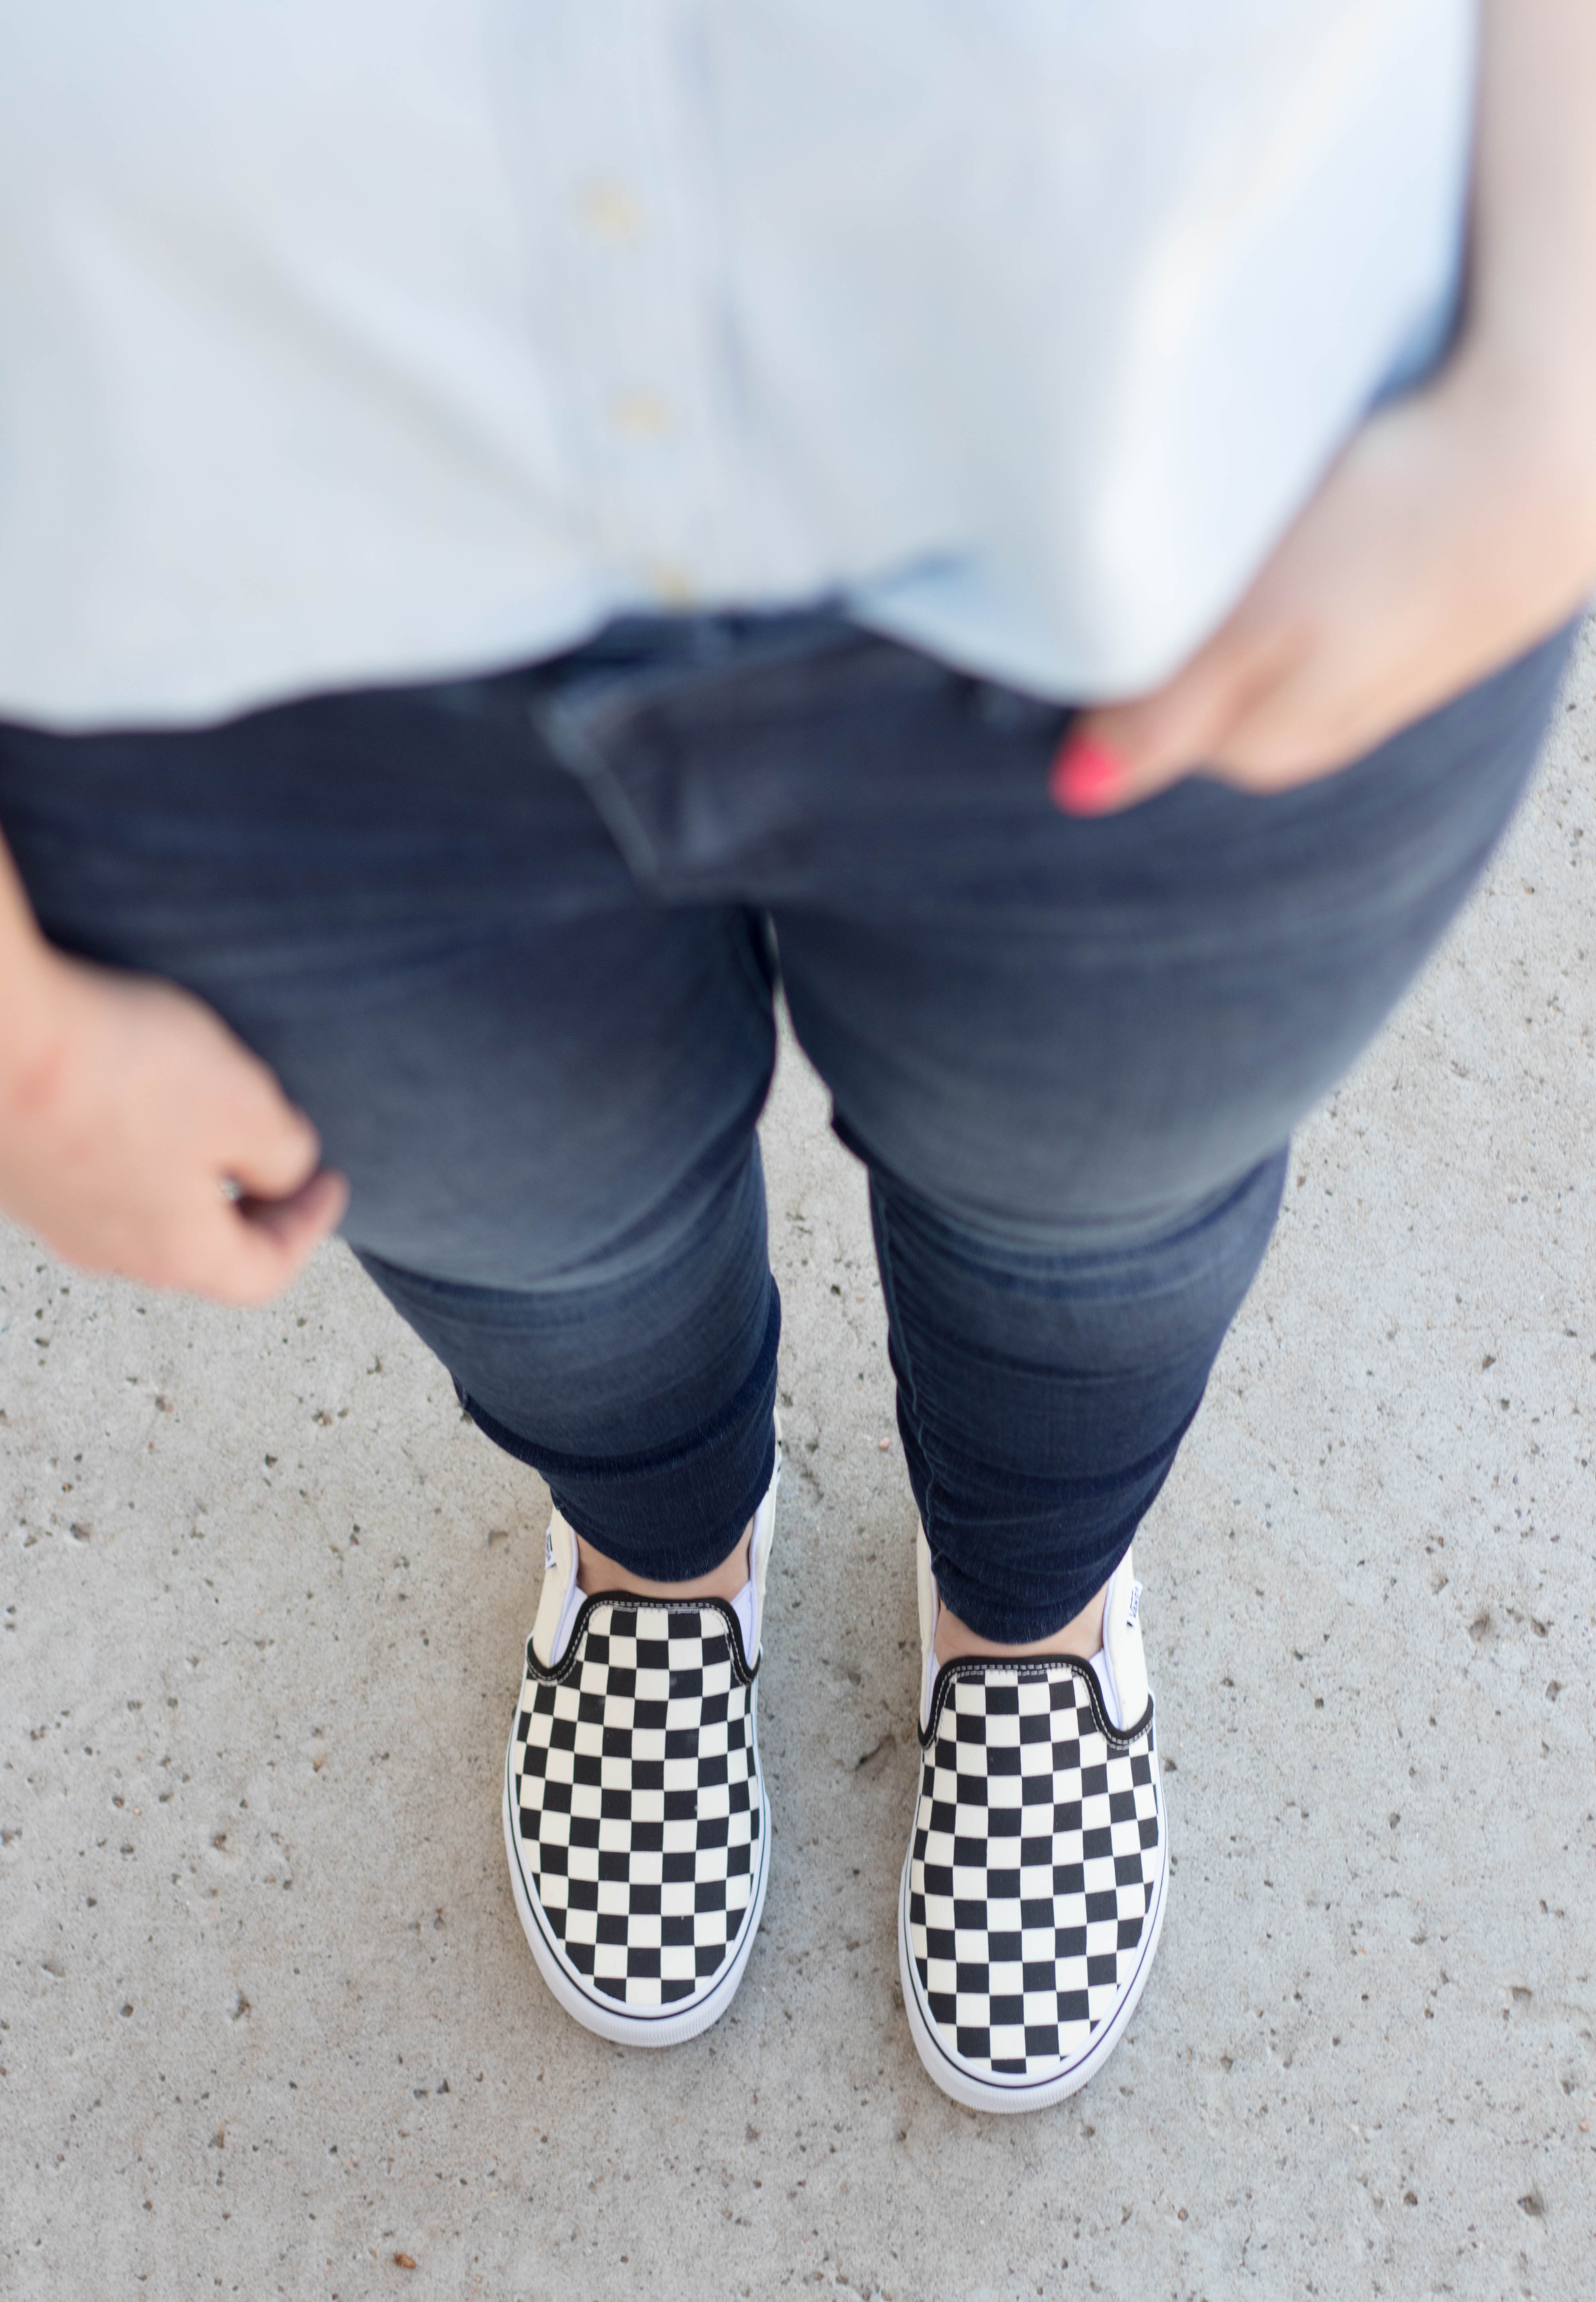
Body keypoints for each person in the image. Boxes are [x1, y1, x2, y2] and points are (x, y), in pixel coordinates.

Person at [0, 0, 1592, 2112]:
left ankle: (1027, 1613)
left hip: (1195, 458)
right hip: (227, 612)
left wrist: (1560, 395)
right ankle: (663, 1555)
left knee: (1092, 1233)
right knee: (536, 1261)